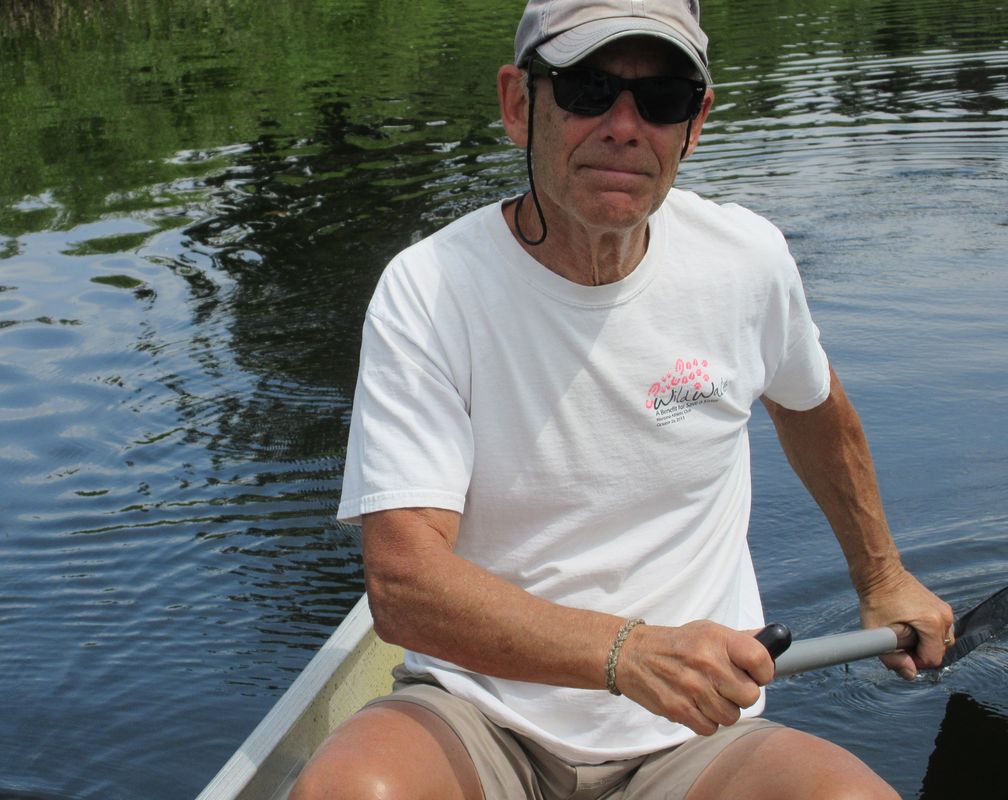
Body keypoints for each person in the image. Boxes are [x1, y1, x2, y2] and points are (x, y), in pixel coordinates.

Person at [292, 1, 955, 798]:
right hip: (478, 719)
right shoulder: (430, 291)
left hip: (695, 739)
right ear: (517, 103)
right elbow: (404, 586)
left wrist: (882, 576)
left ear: (695, 122)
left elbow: (813, 407)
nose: (624, 125)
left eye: (663, 98)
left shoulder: (745, 261)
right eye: (588, 89)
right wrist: (626, 652)